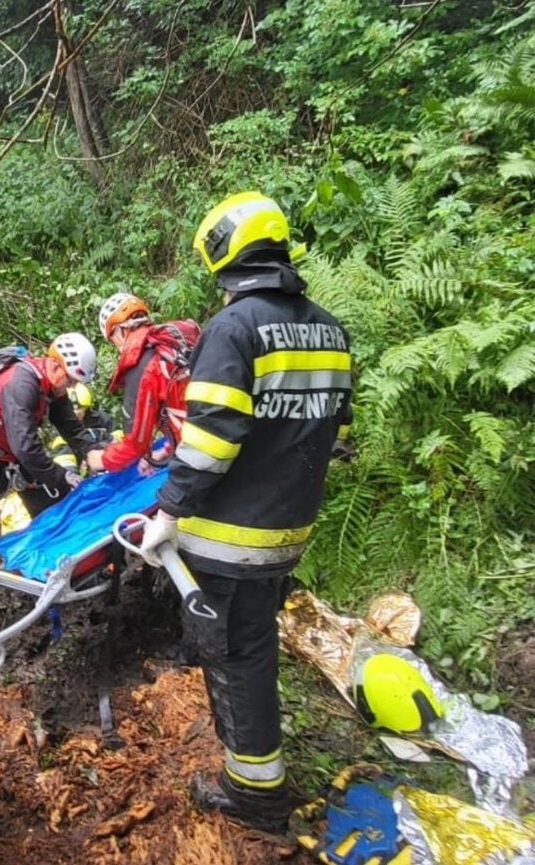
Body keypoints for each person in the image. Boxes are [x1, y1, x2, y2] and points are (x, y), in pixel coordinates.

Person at [138, 191, 353, 834]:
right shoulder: (330, 329)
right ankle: (257, 769)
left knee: (237, 660)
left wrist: (169, 509)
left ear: (223, 255)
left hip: (230, 536)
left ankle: (255, 793)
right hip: (289, 527)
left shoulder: (234, 329)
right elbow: (337, 432)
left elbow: (210, 441)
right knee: (252, 646)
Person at [0, 332, 98, 628]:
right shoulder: (21, 384)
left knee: (54, 508)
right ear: (54, 365)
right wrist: (61, 475)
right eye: (69, 381)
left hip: (8, 454)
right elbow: (26, 448)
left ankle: (55, 576)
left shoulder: (51, 386)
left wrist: (94, 451)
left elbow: (70, 426)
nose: (70, 387)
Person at [86, 293, 199, 476]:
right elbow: (187, 405)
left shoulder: (141, 364)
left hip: (202, 452)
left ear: (120, 331)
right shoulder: (175, 342)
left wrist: (102, 460)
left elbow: (135, 443)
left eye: (112, 338)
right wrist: (167, 449)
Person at [51, 383, 118, 470]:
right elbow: (62, 455)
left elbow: (118, 438)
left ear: (86, 408)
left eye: (80, 408)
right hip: (77, 465)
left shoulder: (102, 419)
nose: (76, 412)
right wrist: (70, 471)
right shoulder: (63, 428)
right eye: (72, 410)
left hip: (105, 460)